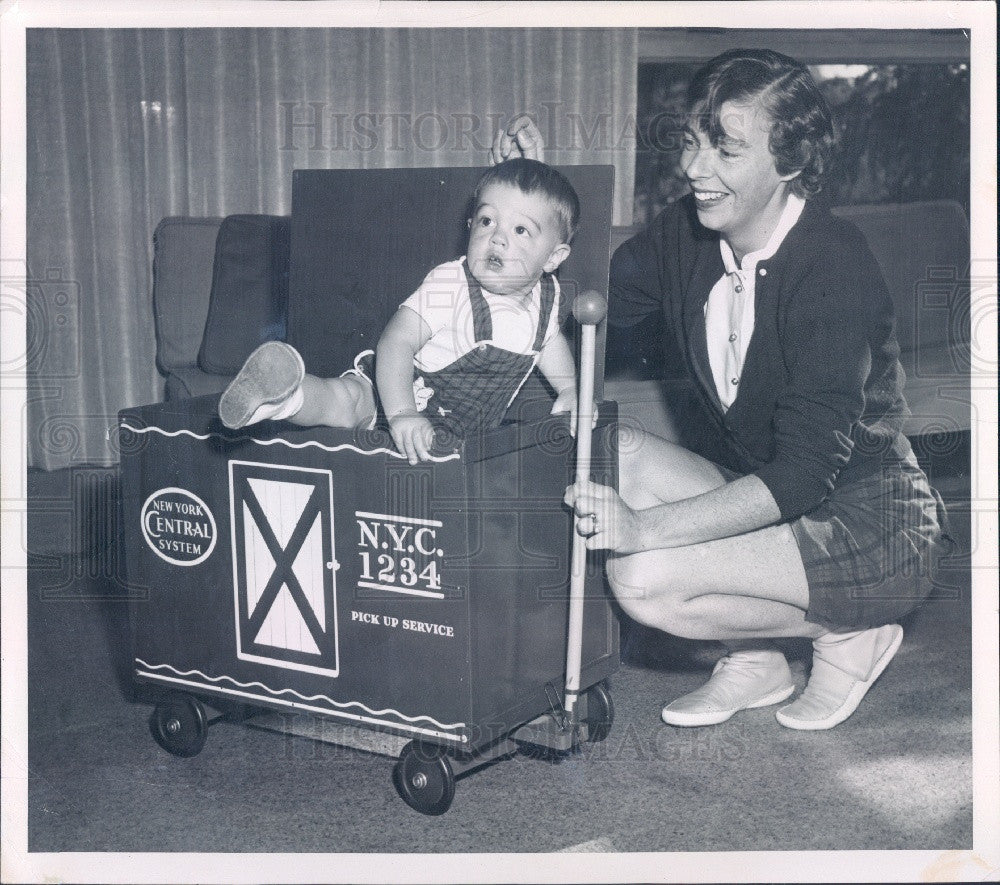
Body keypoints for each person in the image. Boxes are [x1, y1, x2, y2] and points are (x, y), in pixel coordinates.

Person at [496, 48, 952, 731]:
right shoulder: (686, 234)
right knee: (606, 447)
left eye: (726, 150)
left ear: (790, 162)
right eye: (692, 141)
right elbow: (586, 302)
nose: (693, 168)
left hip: (874, 524)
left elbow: (803, 475)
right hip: (779, 504)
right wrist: (522, 197)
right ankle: (759, 652)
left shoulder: (833, 265)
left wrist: (644, 527)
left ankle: (845, 632)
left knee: (639, 575)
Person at [218, 158, 582, 464]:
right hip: (394, 394)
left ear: (553, 258)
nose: (498, 237)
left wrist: (569, 390)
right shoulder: (451, 285)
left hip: (457, 441)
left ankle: (280, 401)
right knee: (343, 402)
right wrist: (403, 413)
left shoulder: (544, 299)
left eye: (521, 230)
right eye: (487, 221)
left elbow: (548, 342)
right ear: (470, 226)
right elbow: (396, 342)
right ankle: (282, 398)